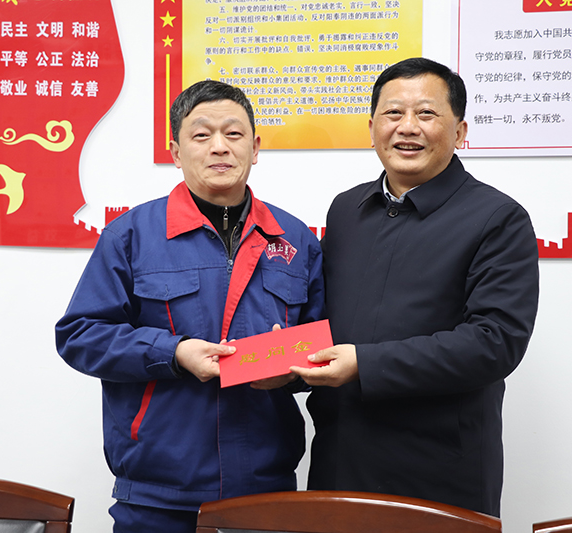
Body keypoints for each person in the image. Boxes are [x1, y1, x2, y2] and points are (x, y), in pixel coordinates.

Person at [56, 80, 325, 533]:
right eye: (202, 135)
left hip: (265, 488)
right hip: (157, 495)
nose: (220, 146)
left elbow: (322, 345)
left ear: (256, 147)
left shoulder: (295, 240)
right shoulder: (131, 235)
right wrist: (174, 352)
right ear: (177, 152)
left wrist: (290, 370)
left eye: (234, 134)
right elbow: (81, 335)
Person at [290, 57, 539, 517]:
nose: (407, 127)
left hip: (438, 471)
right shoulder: (346, 210)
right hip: (340, 460)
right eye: (393, 113)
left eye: (426, 113)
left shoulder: (497, 218)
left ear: (460, 131)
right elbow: (326, 321)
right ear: (371, 129)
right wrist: (277, 362)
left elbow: (495, 342)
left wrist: (364, 364)